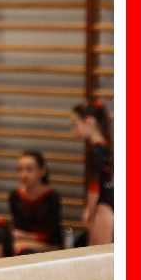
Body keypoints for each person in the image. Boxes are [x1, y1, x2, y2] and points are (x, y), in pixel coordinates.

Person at [71, 100, 114, 245]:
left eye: (75, 124)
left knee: (98, 253)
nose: (74, 130)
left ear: (89, 121)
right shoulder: (106, 146)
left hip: (103, 207)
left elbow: (94, 186)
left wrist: (89, 211)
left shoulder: (96, 151)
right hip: (108, 203)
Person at [8, 150, 63, 255]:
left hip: (49, 245)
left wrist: (26, 237)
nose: (24, 175)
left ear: (42, 171)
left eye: (29, 169)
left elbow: (52, 235)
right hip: (23, 243)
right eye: (20, 170)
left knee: (20, 249)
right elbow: (17, 229)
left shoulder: (51, 197)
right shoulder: (15, 196)